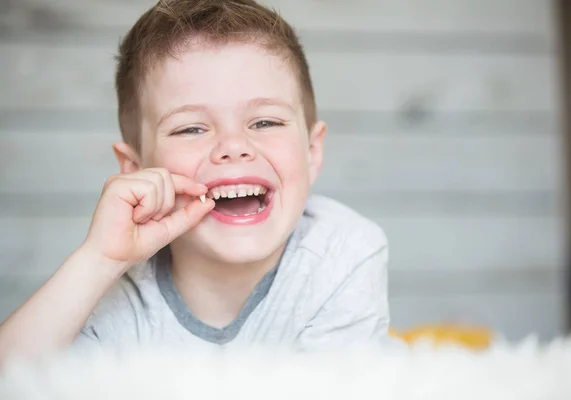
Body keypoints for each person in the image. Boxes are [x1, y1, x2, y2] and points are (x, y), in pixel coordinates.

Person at [0, 0, 390, 364]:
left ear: (312, 151)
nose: (234, 147)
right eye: (190, 128)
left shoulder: (343, 253)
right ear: (136, 171)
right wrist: (99, 261)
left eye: (265, 121)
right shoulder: (117, 292)